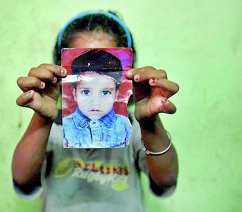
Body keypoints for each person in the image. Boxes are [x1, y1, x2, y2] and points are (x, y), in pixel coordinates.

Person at [12, 10, 179, 212]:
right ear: (65, 78)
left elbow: (166, 183)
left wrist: (150, 124)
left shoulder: (133, 127)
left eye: (107, 71)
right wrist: (41, 119)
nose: (95, 94)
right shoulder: (53, 128)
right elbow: (23, 184)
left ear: (123, 81)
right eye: (82, 75)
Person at [63, 49, 132, 148]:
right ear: (74, 94)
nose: (95, 102)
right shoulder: (65, 126)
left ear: (116, 95)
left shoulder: (124, 124)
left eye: (105, 92)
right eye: (86, 92)